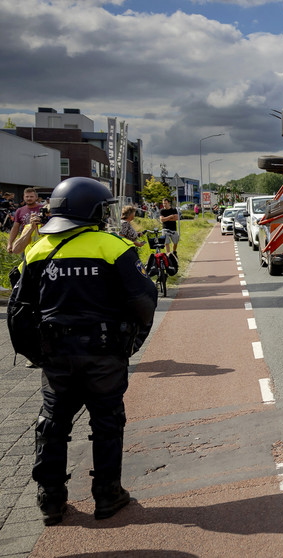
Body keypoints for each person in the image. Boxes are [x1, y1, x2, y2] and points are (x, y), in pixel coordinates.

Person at [7, 177, 157, 525]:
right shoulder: (113, 247)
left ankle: (51, 501)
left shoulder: (39, 250)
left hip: (56, 354)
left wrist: (37, 355)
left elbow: (19, 311)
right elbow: (144, 302)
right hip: (105, 353)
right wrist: (131, 344)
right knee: (107, 422)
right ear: (92, 210)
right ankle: (107, 496)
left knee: (53, 424)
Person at [6, 187, 43, 253]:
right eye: (27, 196)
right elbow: (15, 228)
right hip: (25, 243)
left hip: (41, 242)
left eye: (31, 196)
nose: (29, 198)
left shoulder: (43, 208)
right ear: (23, 197)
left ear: (36, 197)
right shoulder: (19, 211)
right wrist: (10, 243)